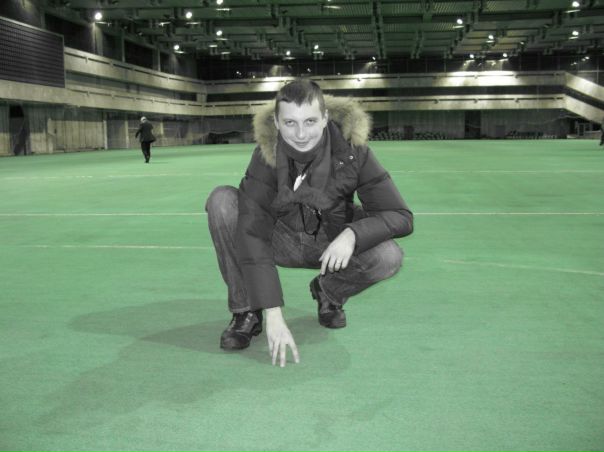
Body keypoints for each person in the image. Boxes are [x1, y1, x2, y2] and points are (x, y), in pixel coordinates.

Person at [205, 79, 413, 367]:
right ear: (276, 123)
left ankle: (328, 291)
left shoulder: (354, 152)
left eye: (310, 121)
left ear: (325, 117)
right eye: (290, 123)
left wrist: (352, 234)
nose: (301, 134)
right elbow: (252, 231)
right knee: (222, 201)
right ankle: (247, 311)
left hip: (331, 246)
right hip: (281, 239)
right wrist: (273, 311)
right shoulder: (265, 157)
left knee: (388, 256)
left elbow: (400, 215)